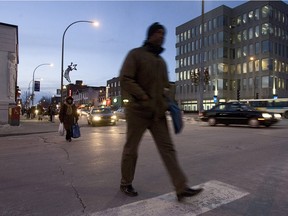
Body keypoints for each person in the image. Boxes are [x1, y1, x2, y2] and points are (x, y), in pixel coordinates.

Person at [119, 22, 203, 201]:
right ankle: (125, 183)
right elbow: (126, 79)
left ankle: (181, 188)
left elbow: (166, 87)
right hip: (138, 112)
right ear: (150, 35)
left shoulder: (161, 61)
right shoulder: (136, 54)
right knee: (131, 149)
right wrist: (142, 96)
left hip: (157, 114)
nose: (162, 36)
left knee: (168, 149)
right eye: (158, 33)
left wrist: (168, 102)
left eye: (164, 34)